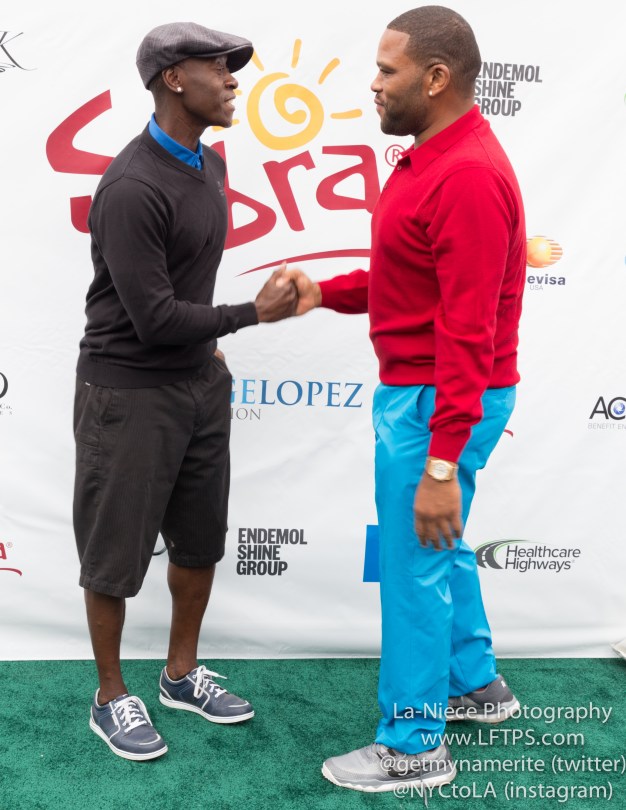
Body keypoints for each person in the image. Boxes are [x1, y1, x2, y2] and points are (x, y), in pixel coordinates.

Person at [285, 5, 526, 793]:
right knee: (439, 549)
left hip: (439, 400)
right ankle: (476, 684)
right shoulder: (430, 159)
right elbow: (406, 285)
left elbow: (467, 330)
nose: (374, 84)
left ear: (436, 77)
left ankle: (415, 743)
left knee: (416, 564)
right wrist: (323, 292)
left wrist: (442, 461)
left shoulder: (466, 176)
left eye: (387, 71)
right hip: (432, 394)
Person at [73, 22, 297, 761]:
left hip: (199, 381)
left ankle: (179, 674)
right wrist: (251, 314)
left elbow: (184, 297)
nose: (233, 80)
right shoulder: (132, 187)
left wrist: (212, 348)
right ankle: (110, 695)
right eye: (218, 67)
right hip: (128, 391)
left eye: (234, 68)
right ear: (173, 79)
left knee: (200, 541)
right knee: (114, 554)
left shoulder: (210, 164)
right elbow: (154, 318)